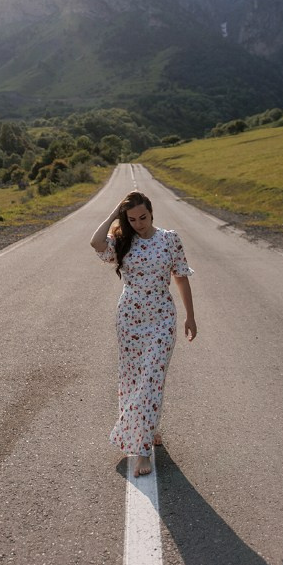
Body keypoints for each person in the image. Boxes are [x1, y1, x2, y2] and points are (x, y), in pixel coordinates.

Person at [89, 190, 196, 477]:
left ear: (152, 212)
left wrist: (191, 316)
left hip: (162, 318)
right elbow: (95, 242)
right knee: (133, 378)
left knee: (152, 379)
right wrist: (114, 213)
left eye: (143, 217)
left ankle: (141, 450)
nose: (139, 223)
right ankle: (150, 428)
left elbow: (181, 276)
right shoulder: (123, 241)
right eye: (132, 219)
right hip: (130, 319)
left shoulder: (169, 239)